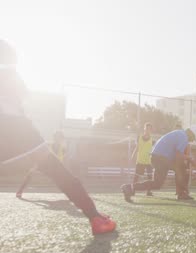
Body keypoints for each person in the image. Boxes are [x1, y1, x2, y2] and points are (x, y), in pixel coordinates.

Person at [0, 39, 116, 235]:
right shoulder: (14, 99)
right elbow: (22, 92)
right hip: (15, 124)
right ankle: (95, 217)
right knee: (52, 167)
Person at [121, 127, 196, 202]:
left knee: (159, 182)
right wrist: (190, 159)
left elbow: (176, 155)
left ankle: (129, 188)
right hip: (161, 158)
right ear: (191, 134)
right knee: (179, 168)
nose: (191, 141)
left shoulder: (179, 133)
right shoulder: (184, 137)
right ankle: (182, 193)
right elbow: (178, 156)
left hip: (157, 157)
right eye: (193, 138)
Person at [16, 130, 67, 198]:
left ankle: (71, 193)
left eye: (59, 138)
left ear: (61, 139)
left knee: (65, 178)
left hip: (54, 166)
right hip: (43, 163)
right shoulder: (48, 145)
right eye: (56, 137)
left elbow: (61, 159)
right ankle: (20, 191)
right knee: (30, 173)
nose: (57, 139)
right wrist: (36, 165)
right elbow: (41, 155)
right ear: (54, 138)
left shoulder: (63, 149)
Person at [132, 122, 155, 196]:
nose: (148, 130)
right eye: (147, 128)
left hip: (149, 161)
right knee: (136, 176)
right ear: (144, 129)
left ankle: (148, 191)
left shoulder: (152, 139)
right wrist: (133, 155)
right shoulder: (139, 137)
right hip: (140, 160)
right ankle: (133, 190)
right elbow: (137, 147)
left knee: (149, 177)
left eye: (150, 129)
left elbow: (153, 150)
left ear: (151, 130)